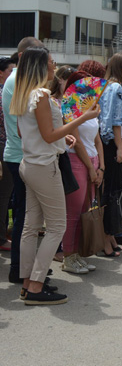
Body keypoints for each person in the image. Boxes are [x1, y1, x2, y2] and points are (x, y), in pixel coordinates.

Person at [10, 46, 100, 305]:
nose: (54, 65)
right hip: (43, 167)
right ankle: (36, 285)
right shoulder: (39, 95)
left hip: (31, 163)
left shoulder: (25, 94)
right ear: (41, 66)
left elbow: (32, 133)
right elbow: (48, 135)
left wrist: (63, 136)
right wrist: (82, 119)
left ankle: (29, 284)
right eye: (50, 61)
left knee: (30, 227)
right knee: (56, 226)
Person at [2, 36, 45, 284]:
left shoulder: (20, 79)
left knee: (26, 215)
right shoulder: (19, 80)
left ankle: (22, 267)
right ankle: (19, 269)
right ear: (23, 56)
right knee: (24, 216)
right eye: (38, 54)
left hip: (21, 154)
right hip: (21, 155)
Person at [60, 71, 105, 274]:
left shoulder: (91, 107)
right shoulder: (69, 107)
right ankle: (68, 256)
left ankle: (77, 254)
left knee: (85, 212)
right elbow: (76, 142)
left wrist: (100, 167)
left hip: (92, 161)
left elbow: (97, 139)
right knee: (74, 213)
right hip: (77, 161)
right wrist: (90, 167)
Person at [99, 52, 122, 256]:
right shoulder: (117, 88)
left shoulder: (105, 86)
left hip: (108, 142)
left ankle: (109, 235)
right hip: (114, 143)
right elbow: (115, 121)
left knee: (111, 191)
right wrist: (120, 148)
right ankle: (105, 237)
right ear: (119, 68)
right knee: (111, 192)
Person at [0, 56, 16, 252]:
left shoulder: (8, 92)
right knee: (4, 195)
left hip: (7, 147)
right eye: (11, 71)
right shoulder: (5, 93)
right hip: (3, 147)